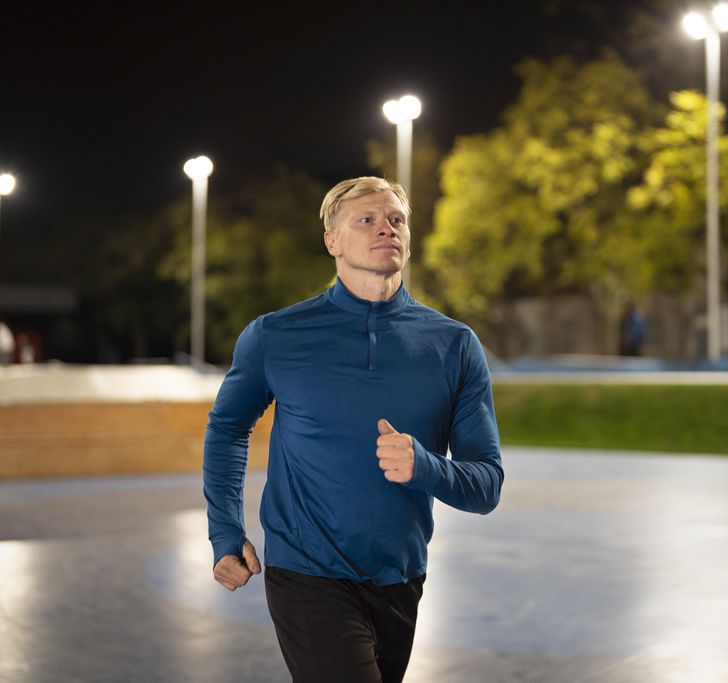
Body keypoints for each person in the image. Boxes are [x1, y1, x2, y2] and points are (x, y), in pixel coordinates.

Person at [202, 176, 504, 682]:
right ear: (333, 241)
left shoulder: (454, 345)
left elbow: (487, 486)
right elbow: (228, 428)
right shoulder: (275, 336)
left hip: (401, 576)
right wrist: (225, 532)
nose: (385, 228)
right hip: (307, 572)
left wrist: (426, 467)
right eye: (366, 219)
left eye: (396, 219)